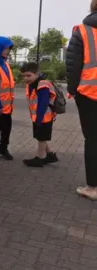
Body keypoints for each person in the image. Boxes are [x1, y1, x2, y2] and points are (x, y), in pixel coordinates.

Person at [66, 0, 97, 200]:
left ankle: (92, 187)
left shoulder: (82, 31)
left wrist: (72, 90)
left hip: (88, 93)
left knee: (93, 139)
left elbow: (73, 64)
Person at [19, 63, 59, 167]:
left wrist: (39, 119)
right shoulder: (33, 84)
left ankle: (40, 158)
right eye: (23, 76)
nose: (25, 78)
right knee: (41, 137)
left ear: (37, 74)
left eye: (28, 75)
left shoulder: (42, 84)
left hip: (44, 117)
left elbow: (43, 103)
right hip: (39, 117)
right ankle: (50, 155)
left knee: (41, 138)